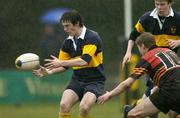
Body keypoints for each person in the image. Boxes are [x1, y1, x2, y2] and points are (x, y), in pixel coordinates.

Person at [33, 10, 106, 118]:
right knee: (63, 105)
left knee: (84, 108)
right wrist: (48, 71)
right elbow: (63, 66)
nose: (65, 29)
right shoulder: (67, 42)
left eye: (67, 26)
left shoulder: (92, 37)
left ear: (76, 23)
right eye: (63, 26)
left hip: (94, 81)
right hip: (77, 80)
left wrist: (61, 62)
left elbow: (84, 60)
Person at [98, 32, 180, 118]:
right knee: (173, 114)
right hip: (172, 89)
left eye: (138, 48)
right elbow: (172, 74)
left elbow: (128, 83)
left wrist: (110, 94)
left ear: (143, 46)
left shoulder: (147, 57)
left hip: (170, 90)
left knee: (131, 114)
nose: (140, 52)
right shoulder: (170, 52)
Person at [122, 0, 180, 117]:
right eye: (156, 4)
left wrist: (178, 42)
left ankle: (133, 107)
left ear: (170, 3)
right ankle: (135, 109)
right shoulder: (147, 18)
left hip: (172, 67)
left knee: (170, 111)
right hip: (155, 67)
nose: (159, 7)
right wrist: (128, 52)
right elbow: (133, 34)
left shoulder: (178, 18)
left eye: (162, 4)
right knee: (155, 104)